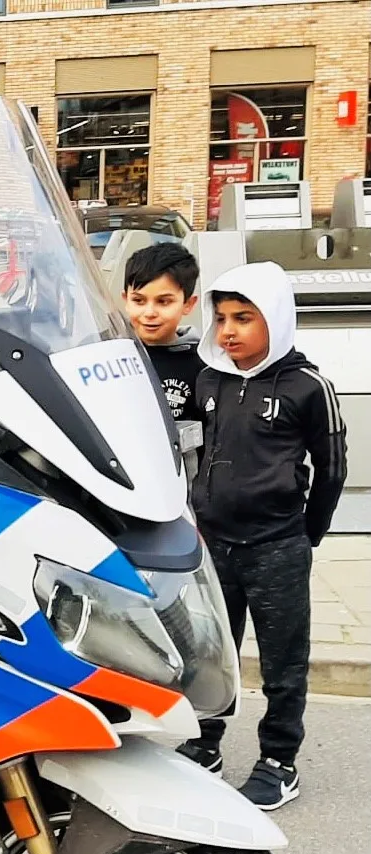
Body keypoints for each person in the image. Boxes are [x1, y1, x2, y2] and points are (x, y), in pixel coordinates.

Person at [176, 261, 347, 809]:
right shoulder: (209, 379)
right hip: (213, 546)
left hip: (277, 547)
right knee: (211, 654)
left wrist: (306, 533)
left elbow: (333, 468)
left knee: (282, 662)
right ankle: (205, 745)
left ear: (274, 318)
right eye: (221, 317)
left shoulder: (307, 386)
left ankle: (279, 761)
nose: (228, 330)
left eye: (244, 318)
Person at [124, 242, 203, 423]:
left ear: (188, 304)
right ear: (125, 300)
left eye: (164, 302)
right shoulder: (106, 352)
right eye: (139, 300)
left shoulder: (202, 364)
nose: (150, 313)